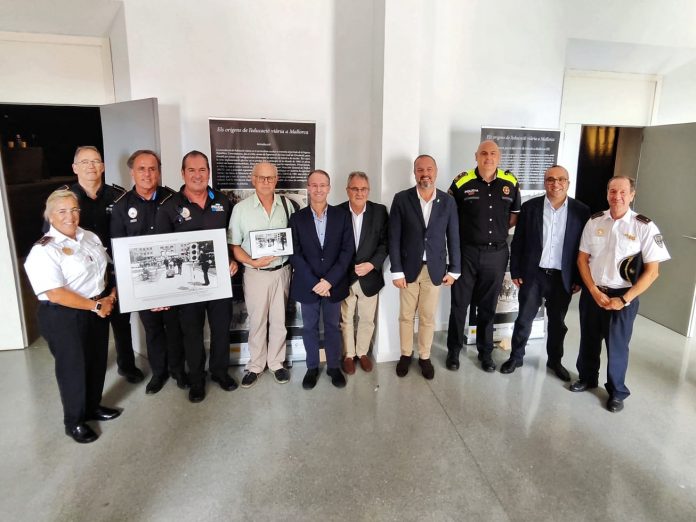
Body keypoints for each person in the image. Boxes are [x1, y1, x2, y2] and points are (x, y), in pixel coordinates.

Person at [25, 190, 122, 444]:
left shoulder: (89, 236)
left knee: (96, 360)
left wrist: (109, 296)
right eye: (63, 211)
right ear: (50, 216)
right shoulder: (44, 250)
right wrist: (95, 306)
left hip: (97, 307)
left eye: (75, 210)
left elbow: (105, 269)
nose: (71, 216)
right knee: (73, 368)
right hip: (65, 316)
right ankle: (75, 421)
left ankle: (92, 407)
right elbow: (55, 293)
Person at [570, 176, 670, 412]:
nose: (617, 197)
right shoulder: (594, 221)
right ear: (607, 194)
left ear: (632, 195)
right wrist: (592, 290)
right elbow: (582, 259)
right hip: (594, 293)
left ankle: (616, 391)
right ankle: (586, 378)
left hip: (623, 297)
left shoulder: (644, 226)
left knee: (617, 346)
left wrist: (624, 300)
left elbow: (653, 272)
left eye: (623, 192)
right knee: (589, 340)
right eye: (613, 191)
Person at [156, 150, 239, 403]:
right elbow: (162, 251)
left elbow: (232, 239)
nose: (197, 175)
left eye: (202, 169)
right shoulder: (169, 207)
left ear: (208, 172)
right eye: (191, 170)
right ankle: (197, 380)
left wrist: (233, 260)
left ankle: (220, 372)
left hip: (219, 280)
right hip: (187, 284)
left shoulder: (223, 202)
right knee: (191, 333)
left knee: (221, 329)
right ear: (182, 173)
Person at [59, 146, 144, 384]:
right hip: (83, 274)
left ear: (103, 166)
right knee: (88, 325)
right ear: (75, 168)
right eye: (84, 162)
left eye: (96, 161)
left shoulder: (119, 195)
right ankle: (87, 370)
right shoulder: (66, 198)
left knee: (121, 319)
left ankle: (126, 366)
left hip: (115, 269)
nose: (91, 166)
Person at [501, 165, 591, 380]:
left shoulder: (581, 211)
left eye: (561, 179)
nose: (555, 183)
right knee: (524, 319)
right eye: (550, 179)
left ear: (568, 183)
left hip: (563, 277)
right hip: (534, 275)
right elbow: (519, 241)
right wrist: (515, 270)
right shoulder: (531, 207)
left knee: (558, 324)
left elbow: (584, 249)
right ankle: (516, 356)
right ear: (545, 183)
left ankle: (555, 361)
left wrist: (578, 278)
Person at [110, 149, 188, 394]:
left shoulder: (174, 199)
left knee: (175, 327)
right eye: (142, 169)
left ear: (159, 171)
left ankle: (178, 370)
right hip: (142, 282)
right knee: (152, 329)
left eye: (152, 168)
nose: (147, 173)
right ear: (132, 172)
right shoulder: (121, 207)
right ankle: (159, 373)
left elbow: (184, 238)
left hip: (173, 277)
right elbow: (118, 249)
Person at [445, 140, 521, 373]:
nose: (488, 157)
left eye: (493, 153)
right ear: (476, 156)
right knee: (460, 305)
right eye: (484, 153)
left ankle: (485, 353)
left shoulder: (510, 182)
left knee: (488, 307)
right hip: (466, 253)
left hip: (497, 254)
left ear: (499, 157)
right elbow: (450, 217)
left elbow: (513, 216)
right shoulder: (461, 182)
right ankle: (454, 351)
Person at [389, 155, 460, 380]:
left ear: (436, 172)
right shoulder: (401, 199)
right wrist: (396, 270)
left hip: (435, 269)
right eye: (420, 170)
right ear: (414, 172)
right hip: (408, 269)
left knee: (428, 317)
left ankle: (425, 356)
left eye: (429, 169)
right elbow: (394, 237)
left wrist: (454, 268)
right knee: (406, 316)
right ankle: (405, 355)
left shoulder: (448, 202)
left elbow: (454, 237)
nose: (425, 173)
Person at [229, 162, 294, 388]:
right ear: (253, 179)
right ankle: (255, 365)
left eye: (270, 178)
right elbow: (234, 245)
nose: (266, 182)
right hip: (255, 274)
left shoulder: (287, 206)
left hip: (282, 272)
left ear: (276, 180)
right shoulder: (241, 209)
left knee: (279, 321)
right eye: (261, 177)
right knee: (257, 322)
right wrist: (251, 261)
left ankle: (276, 363)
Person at [290, 169, 354, 389]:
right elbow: (295, 253)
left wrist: (329, 281)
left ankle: (334, 367)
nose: (318, 189)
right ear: (308, 188)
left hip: (333, 285)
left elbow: (347, 252)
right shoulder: (297, 218)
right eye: (314, 185)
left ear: (329, 188)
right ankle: (312, 367)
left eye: (322, 185)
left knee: (332, 327)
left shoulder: (342, 216)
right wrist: (315, 283)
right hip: (308, 286)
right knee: (309, 327)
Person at [338, 171, 388, 374]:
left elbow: (386, 243)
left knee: (367, 318)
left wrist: (372, 264)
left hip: (370, 277)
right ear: (347, 190)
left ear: (368, 190)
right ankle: (349, 355)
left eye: (363, 189)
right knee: (346, 318)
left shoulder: (380, 211)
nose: (359, 193)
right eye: (355, 189)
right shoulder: (337, 212)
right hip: (345, 277)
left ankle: (362, 353)